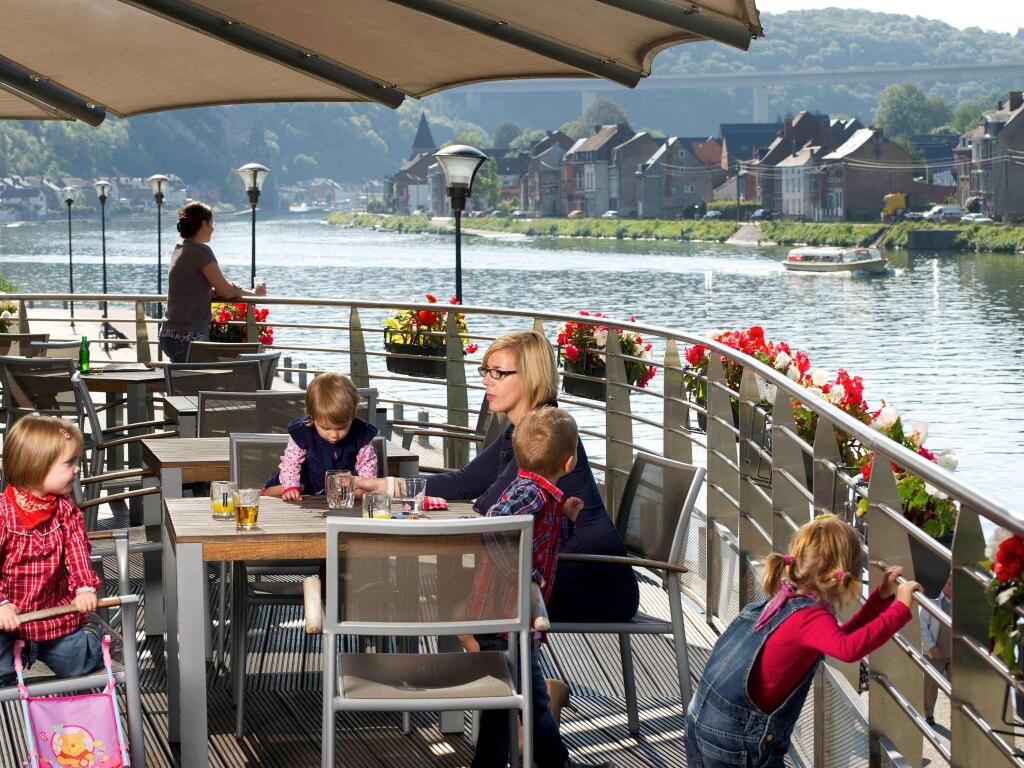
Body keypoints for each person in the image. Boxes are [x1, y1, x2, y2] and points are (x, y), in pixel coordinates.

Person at [355, 330, 639, 624]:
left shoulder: (548, 437)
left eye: (498, 373)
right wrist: (382, 486)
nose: (486, 380)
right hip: (552, 568)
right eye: (486, 371)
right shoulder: (524, 429)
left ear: (531, 377)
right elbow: (465, 482)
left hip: (591, 580)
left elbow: (489, 506)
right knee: (455, 589)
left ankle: (489, 658)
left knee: (457, 595)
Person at [685, 516, 919, 768]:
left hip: (702, 718)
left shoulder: (786, 600)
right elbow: (848, 648)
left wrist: (881, 599)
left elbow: (840, 638)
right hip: (737, 742)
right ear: (844, 576)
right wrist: (900, 609)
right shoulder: (811, 616)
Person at [460, 407, 607, 768]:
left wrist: (565, 517)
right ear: (570, 461)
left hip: (514, 620)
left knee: (516, 701)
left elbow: (541, 539)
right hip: (505, 618)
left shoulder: (539, 495)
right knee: (520, 702)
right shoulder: (532, 494)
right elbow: (494, 527)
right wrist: (522, 573)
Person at [0, 416, 104, 686]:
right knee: (1, 673)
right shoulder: (3, 513)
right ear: (36, 466)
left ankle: (93, 634)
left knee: (77, 664)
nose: (77, 469)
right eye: (70, 463)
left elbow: (77, 553)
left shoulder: (65, 510)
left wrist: (84, 588)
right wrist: (1, 604)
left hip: (52, 616)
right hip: (7, 620)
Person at [159, 201, 267, 362]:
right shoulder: (201, 251)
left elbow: (190, 288)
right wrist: (254, 294)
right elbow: (226, 291)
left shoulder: (180, 248)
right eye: (212, 223)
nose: (213, 229)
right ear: (203, 225)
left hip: (169, 336)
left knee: (202, 373)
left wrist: (217, 291)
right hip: (189, 338)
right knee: (248, 362)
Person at [264, 373, 378, 500]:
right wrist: (291, 486)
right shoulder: (303, 431)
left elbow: (367, 464)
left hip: (343, 487)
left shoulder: (360, 434)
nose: (334, 435)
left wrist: (363, 485)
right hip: (308, 482)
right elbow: (291, 462)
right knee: (290, 487)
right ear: (312, 417)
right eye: (325, 428)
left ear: (352, 416)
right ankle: (270, 492)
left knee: (361, 491)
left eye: (341, 428)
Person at [921, 573, 952, 727]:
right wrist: (931, 646)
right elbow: (922, 626)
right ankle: (929, 714)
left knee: (957, 689)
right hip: (935, 652)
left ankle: (957, 718)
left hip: (954, 653)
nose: (951, 588)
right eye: (949, 584)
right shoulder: (932, 601)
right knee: (930, 686)